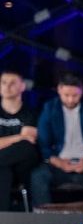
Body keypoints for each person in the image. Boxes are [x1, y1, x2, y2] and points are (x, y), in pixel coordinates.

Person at [31, 73, 83, 204]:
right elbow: (43, 142)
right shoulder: (50, 108)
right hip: (58, 163)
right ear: (59, 90)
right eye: (66, 95)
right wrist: (58, 162)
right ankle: (43, 216)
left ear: (82, 91)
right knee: (38, 176)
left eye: (75, 95)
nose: (70, 100)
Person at [0, 69, 39, 210]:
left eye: (12, 83)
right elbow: (23, 138)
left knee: (26, 148)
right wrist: (19, 137)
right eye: (4, 82)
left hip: (24, 167)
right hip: (4, 164)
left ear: (22, 86)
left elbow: (29, 143)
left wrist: (5, 142)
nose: (7, 86)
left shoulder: (30, 112)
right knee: (3, 170)